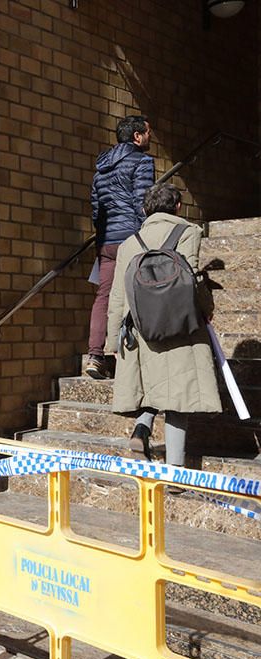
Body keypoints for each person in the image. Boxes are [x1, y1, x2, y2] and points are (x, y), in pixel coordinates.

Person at [105, 183, 220, 467]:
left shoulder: (129, 244)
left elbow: (117, 295)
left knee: (151, 385)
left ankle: (141, 429)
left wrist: (112, 341)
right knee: (178, 398)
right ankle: (175, 470)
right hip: (181, 326)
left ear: (145, 210)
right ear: (178, 206)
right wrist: (207, 308)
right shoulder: (188, 232)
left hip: (141, 328)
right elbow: (190, 278)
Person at [85, 114, 155, 380]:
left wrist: (102, 237)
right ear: (137, 136)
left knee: (104, 296)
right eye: (148, 133)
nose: (149, 137)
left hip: (106, 241)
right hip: (132, 238)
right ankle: (136, 355)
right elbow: (142, 202)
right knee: (140, 293)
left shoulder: (100, 168)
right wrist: (148, 236)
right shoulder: (142, 161)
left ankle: (95, 355)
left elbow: (96, 209)